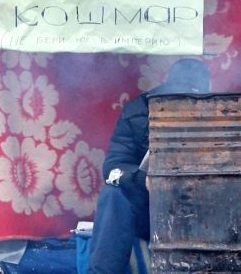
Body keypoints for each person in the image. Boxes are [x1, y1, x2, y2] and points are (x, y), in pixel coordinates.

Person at [87, 59, 211, 274]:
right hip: (149, 210)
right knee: (112, 196)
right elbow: (113, 167)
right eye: (177, 98)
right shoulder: (138, 112)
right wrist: (140, 178)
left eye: (191, 100)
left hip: (201, 211)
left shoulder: (222, 116)